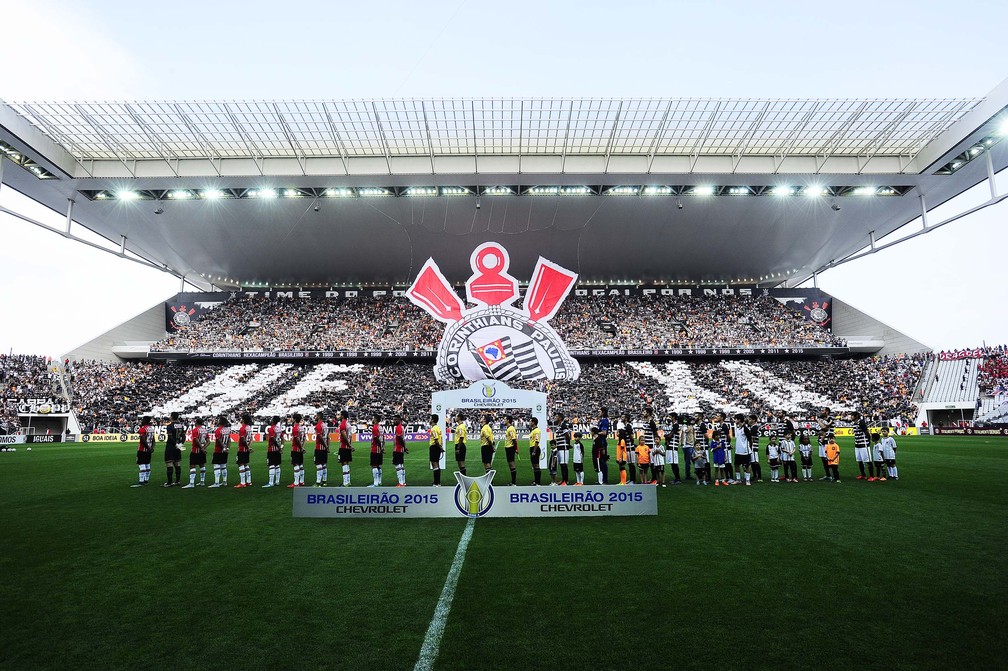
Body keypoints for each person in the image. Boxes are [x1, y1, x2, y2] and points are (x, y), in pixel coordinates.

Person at [183, 417, 208, 488]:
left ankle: (191, 483)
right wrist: (204, 448)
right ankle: (202, 482)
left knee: (192, 465)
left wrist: (201, 448)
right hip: (202, 451)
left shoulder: (195, 430)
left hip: (195, 450)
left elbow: (196, 440)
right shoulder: (205, 430)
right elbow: (208, 441)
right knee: (202, 465)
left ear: (196, 423)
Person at [132, 415, 155, 487]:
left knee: (142, 465)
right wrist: (151, 448)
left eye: (142, 420)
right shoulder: (151, 429)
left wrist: (148, 447)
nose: (141, 421)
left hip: (142, 450)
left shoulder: (143, 429)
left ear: (145, 421)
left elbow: (142, 440)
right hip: (148, 451)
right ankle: (146, 480)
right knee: (147, 464)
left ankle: (141, 481)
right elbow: (154, 440)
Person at [164, 411, 185, 487]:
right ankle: (177, 481)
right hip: (178, 446)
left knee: (169, 463)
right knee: (177, 463)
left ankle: (169, 482)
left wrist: (175, 444)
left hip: (171, 446)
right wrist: (180, 444)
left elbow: (170, 437)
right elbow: (184, 436)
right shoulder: (180, 425)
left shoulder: (169, 425)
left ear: (172, 417)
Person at [209, 415, 230, 488]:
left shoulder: (218, 430)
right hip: (225, 450)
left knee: (216, 465)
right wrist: (227, 448)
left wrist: (223, 448)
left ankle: (216, 483)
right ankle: (224, 481)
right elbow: (229, 440)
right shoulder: (227, 430)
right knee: (223, 466)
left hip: (218, 450)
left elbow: (218, 440)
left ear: (220, 422)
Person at [733, 413, 753, 486]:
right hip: (738, 450)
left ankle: (748, 480)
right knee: (736, 465)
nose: (734, 420)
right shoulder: (738, 428)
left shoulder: (745, 428)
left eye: (735, 419)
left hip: (745, 451)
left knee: (747, 465)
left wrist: (749, 448)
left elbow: (750, 439)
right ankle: (738, 479)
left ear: (739, 420)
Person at [853, 411, 873, 480]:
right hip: (857, 444)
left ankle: (871, 476)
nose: (851, 417)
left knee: (868, 460)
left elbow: (867, 432)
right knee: (859, 460)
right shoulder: (854, 423)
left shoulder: (861, 422)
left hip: (864, 444)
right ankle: (863, 475)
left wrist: (868, 441)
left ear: (856, 416)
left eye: (852, 416)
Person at [288, 413, 306, 488]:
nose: (291, 419)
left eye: (292, 418)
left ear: (295, 419)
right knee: (301, 465)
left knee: (295, 464)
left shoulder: (295, 428)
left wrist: (301, 448)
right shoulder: (302, 428)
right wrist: (302, 447)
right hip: (300, 449)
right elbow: (305, 439)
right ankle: (301, 481)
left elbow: (297, 439)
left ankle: (296, 483)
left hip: (296, 449)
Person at [264, 415, 282, 487]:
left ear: (273, 420)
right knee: (277, 465)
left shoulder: (271, 429)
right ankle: (277, 481)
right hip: (278, 450)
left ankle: (271, 483)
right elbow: (283, 439)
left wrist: (278, 446)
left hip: (272, 449)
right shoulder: (279, 428)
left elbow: (272, 439)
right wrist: (281, 447)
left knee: (271, 465)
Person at [553, 412, 572, 485]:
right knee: (561, 464)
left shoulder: (563, 425)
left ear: (560, 418)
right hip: (560, 447)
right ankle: (563, 480)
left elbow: (567, 435)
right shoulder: (559, 425)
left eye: (557, 416)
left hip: (563, 447)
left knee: (564, 464)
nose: (556, 417)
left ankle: (565, 481)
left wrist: (568, 444)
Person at [235, 413, 253, 488]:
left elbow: (242, 439)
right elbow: (251, 438)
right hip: (246, 449)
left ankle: (242, 483)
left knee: (241, 464)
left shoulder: (242, 428)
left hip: (242, 449)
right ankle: (248, 481)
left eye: (242, 418)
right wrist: (249, 447)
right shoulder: (249, 427)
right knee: (246, 464)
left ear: (244, 420)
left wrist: (247, 447)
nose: (241, 419)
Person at [313, 412, 329, 487]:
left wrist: (325, 446)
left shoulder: (318, 426)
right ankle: (324, 481)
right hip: (324, 449)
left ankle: (318, 482)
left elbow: (320, 437)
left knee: (318, 464)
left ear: (319, 416)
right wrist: (328, 446)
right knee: (324, 464)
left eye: (316, 416)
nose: (315, 417)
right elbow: (328, 437)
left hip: (319, 448)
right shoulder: (325, 425)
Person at [338, 410, 353, 487]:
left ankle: (345, 482)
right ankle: (348, 481)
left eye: (340, 415)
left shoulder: (342, 424)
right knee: (347, 463)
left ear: (343, 416)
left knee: (343, 463)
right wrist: (350, 445)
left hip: (343, 446)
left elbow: (344, 435)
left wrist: (349, 445)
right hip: (347, 447)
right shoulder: (349, 424)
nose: (339, 416)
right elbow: (350, 436)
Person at [429, 413, 444, 487]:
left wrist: (439, 447)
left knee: (434, 464)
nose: (429, 419)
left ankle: (436, 483)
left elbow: (436, 439)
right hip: (437, 447)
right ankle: (438, 482)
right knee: (437, 464)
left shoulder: (434, 429)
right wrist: (441, 447)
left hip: (434, 447)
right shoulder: (438, 428)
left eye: (430, 418)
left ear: (432, 420)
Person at [392, 414, 408, 487]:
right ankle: (403, 482)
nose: (393, 421)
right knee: (401, 465)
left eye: (395, 419)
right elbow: (403, 439)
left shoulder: (398, 428)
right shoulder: (401, 427)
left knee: (398, 465)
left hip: (398, 449)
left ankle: (401, 483)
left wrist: (404, 447)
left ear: (399, 420)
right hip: (400, 449)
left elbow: (400, 439)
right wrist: (405, 447)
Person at [369, 413, 384, 487]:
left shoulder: (375, 428)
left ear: (375, 419)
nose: (372, 419)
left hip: (375, 449)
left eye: (373, 418)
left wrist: (380, 447)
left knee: (374, 465)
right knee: (378, 465)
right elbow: (383, 438)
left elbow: (376, 438)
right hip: (380, 449)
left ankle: (375, 483)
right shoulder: (381, 427)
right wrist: (383, 447)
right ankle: (379, 481)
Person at [504, 415, 519, 486]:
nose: (504, 421)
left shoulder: (511, 429)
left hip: (510, 448)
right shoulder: (509, 428)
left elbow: (514, 439)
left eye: (505, 419)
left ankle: (514, 482)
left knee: (512, 464)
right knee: (510, 464)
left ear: (508, 420)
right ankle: (513, 482)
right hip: (508, 447)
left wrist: (516, 448)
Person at [748, 414, 763, 482]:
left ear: (753, 420)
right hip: (753, 446)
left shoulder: (754, 427)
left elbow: (752, 438)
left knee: (755, 462)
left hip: (753, 446)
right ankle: (755, 476)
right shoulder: (753, 427)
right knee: (753, 462)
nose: (749, 420)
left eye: (750, 419)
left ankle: (759, 476)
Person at [529, 417, 543, 485]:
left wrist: (534, 451)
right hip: (532, 448)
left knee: (536, 465)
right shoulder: (533, 430)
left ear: (533, 422)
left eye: (530, 421)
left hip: (535, 448)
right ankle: (536, 481)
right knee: (534, 465)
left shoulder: (537, 431)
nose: (529, 423)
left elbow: (537, 441)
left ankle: (538, 482)